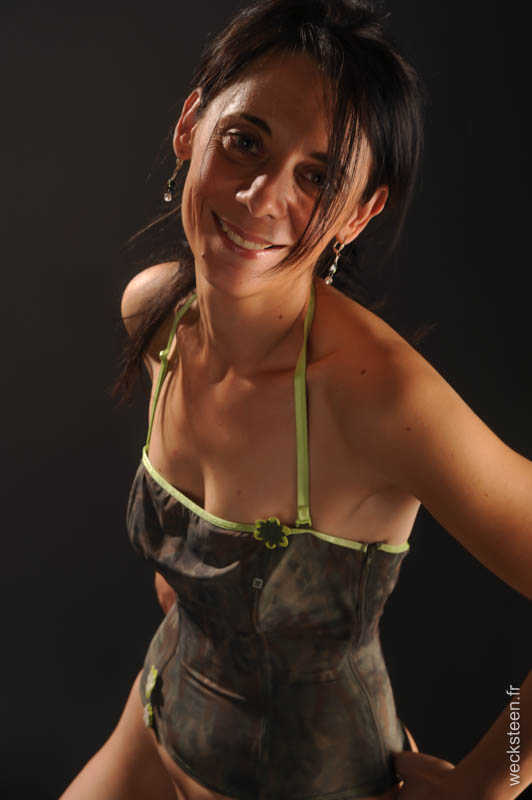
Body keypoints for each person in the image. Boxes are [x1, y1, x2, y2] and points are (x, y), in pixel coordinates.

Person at [60, 1, 531, 798]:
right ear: (190, 126)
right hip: (158, 721)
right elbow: (195, 565)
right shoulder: (158, 316)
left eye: (317, 178)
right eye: (245, 142)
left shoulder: (379, 399)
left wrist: (493, 780)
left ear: (359, 213)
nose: (259, 196)